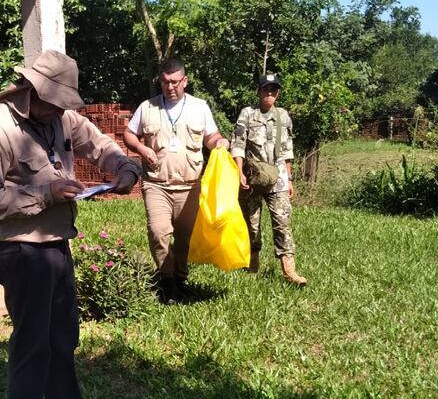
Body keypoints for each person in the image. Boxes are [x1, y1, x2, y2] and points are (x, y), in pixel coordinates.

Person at [0, 50, 139, 399]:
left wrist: (123, 167)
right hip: (20, 251)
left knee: (63, 339)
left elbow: (99, 144)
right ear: (33, 89)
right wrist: (45, 194)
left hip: (56, 245)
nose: (62, 112)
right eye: (55, 103)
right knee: (33, 346)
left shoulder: (60, 118)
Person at [122, 58, 229, 305]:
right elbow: (129, 133)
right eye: (165, 82)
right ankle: (167, 281)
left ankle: (180, 279)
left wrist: (218, 143)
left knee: (185, 238)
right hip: (156, 183)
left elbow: (211, 137)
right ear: (160, 81)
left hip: (190, 185)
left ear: (185, 81)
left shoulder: (199, 107)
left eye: (175, 82)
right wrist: (140, 148)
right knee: (159, 232)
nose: (170, 87)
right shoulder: (147, 107)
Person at [230, 73, 308, 286]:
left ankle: (289, 270)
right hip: (253, 178)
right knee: (251, 224)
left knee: (282, 222)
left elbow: (287, 150)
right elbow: (238, 144)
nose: (270, 93)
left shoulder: (283, 116)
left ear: (278, 93)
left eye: (274, 90)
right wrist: (239, 172)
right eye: (266, 89)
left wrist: (290, 179)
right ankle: (252, 264)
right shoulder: (248, 114)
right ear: (259, 91)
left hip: (278, 178)